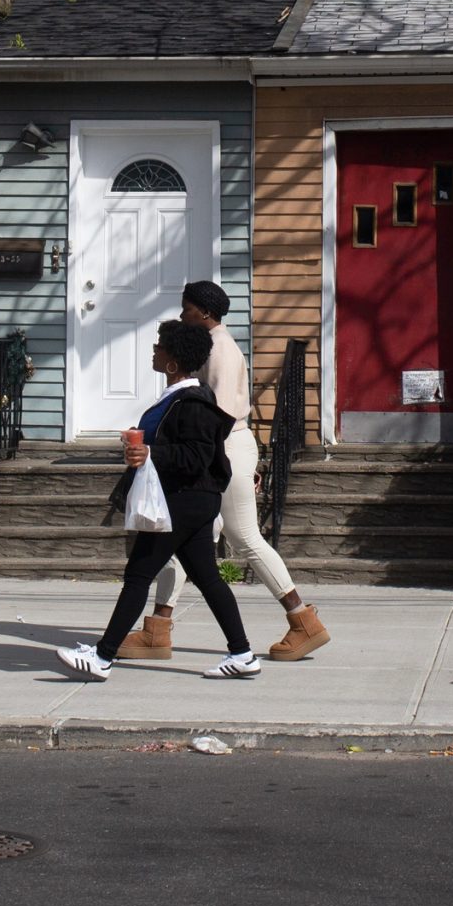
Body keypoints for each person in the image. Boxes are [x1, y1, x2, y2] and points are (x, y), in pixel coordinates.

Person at [115, 281, 330, 664]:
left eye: (187, 310)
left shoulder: (221, 351)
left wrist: (228, 464)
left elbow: (220, 417)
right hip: (226, 450)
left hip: (222, 450)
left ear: (205, 313)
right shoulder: (213, 347)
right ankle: (158, 628)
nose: (182, 316)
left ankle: (302, 620)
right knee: (182, 539)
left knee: (245, 538)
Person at [58, 319, 261, 682]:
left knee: (138, 574)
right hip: (191, 500)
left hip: (183, 500)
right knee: (208, 578)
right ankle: (243, 653)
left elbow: (196, 457)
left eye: (159, 346)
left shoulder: (194, 402)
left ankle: (103, 657)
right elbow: (175, 447)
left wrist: (150, 452)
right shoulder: (178, 398)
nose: (154, 350)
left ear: (173, 361)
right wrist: (142, 446)